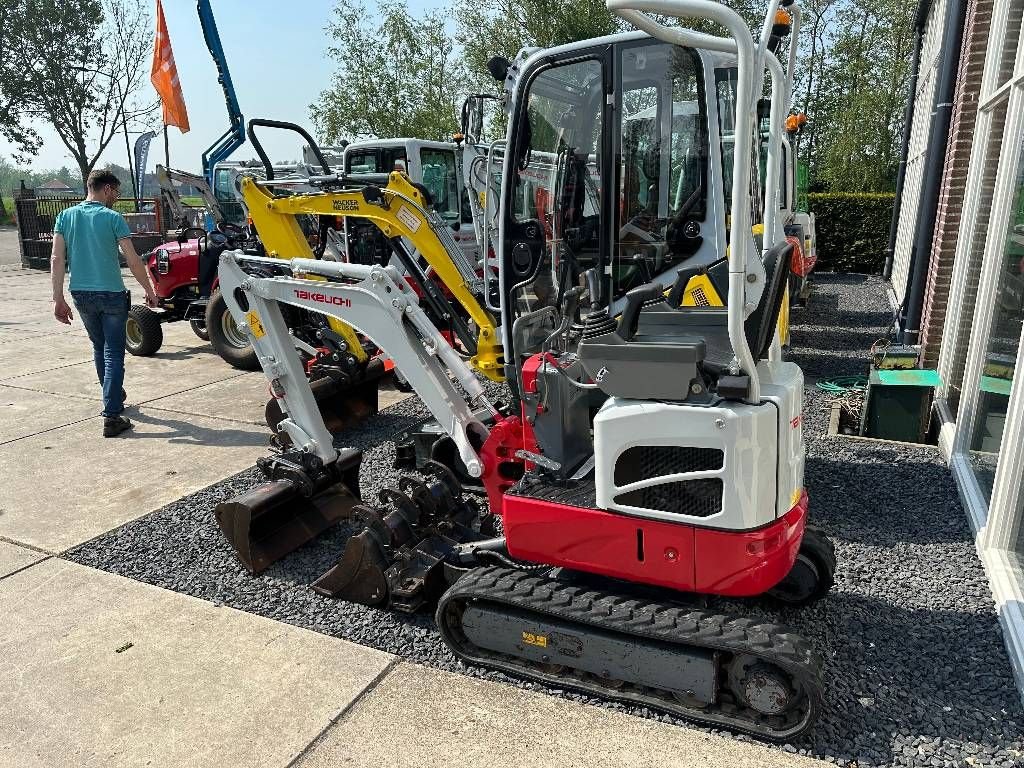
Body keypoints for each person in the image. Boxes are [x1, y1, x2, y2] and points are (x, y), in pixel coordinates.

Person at [50, 169, 159, 437]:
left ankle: (113, 395)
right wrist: (149, 289)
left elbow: (56, 259)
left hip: (81, 294)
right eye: (117, 193)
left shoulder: (65, 216)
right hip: (111, 293)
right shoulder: (112, 218)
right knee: (113, 352)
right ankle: (111, 414)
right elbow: (133, 260)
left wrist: (58, 298)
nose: (116, 198)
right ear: (107, 189)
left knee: (100, 347)